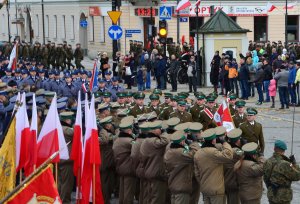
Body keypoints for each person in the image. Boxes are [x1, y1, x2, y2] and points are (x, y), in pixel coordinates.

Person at [194, 128, 233, 204]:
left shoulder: (198, 153)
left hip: (205, 188)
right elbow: (229, 155)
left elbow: (197, 173)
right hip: (216, 189)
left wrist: (203, 183)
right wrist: (224, 142)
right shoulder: (213, 153)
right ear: (213, 141)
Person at [164, 130, 197, 204]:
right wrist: (194, 142)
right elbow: (195, 154)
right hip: (181, 187)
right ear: (182, 142)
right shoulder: (180, 152)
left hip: (173, 185)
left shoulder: (169, 151)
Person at [140, 120, 169, 204]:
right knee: (157, 198)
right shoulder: (153, 141)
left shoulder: (146, 140)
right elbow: (165, 141)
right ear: (154, 130)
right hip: (156, 173)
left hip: (149, 170)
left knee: (150, 196)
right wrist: (164, 132)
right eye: (159, 129)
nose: (160, 130)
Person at [263, 140, 300, 204]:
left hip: (271, 193)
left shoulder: (267, 161)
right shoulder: (285, 164)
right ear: (284, 150)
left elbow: (265, 178)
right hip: (283, 196)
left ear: (274, 148)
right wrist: (294, 164)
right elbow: (297, 176)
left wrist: (270, 187)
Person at [112, 120, 136, 204]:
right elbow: (137, 151)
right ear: (129, 130)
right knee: (128, 191)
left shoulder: (117, 140)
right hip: (128, 167)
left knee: (122, 190)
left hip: (120, 166)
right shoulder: (129, 141)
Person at [58, 111, 75, 203]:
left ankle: (60, 199)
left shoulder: (58, 128)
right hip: (66, 161)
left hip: (59, 159)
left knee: (60, 182)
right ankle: (65, 201)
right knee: (67, 183)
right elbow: (77, 133)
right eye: (70, 120)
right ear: (67, 120)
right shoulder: (67, 130)